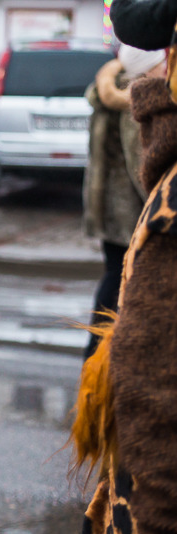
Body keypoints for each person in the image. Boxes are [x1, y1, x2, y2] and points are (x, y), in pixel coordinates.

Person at [70, 0, 177, 534]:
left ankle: (97, 351)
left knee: (117, 287)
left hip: (128, 209)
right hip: (124, 209)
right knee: (116, 286)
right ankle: (96, 352)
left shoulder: (171, 200)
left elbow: (156, 399)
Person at [81, 46, 164, 358]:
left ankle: (96, 352)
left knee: (113, 278)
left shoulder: (108, 95)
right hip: (130, 213)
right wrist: (158, 209)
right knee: (124, 283)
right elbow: (139, 167)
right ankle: (108, 355)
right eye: (160, 62)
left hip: (109, 211)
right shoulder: (135, 103)